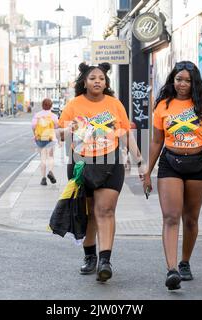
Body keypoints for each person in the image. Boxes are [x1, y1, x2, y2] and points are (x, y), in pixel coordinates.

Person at [58, 62, 145, 283]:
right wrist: (66, 130)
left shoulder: (114, 105)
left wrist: (140, 161)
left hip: (111, 162)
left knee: (105, 210)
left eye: (101, 78)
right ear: (84, 82)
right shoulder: (74, 105)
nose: (97, 81)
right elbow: (59, 133)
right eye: (92, 78)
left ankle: (105, 260)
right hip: (81, 164)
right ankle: (90, 257)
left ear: (106, 83)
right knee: (88, 213)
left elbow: (125, 134)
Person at [142, 61, 202, 290]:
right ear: (173, 80)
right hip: (170, 164)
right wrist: (147, 171)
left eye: (187, 80)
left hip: (197, 164)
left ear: (194, 81)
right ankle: (172, 269)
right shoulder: (163, 106)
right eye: (179, 79)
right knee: (170, 216)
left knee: (191, 218)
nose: (182, 84)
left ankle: (185, 261)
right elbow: (157, 141)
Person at [32, 98, 59, 186]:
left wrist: (35, 134)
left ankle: (43, 178)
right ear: (51, 106)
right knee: (50, 157)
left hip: (40, 139)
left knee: (43, 158)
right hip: (50, 139)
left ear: (42, 105)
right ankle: (50, 171)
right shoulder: (53, 116)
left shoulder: (37, 115)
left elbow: (33, 126)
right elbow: (56, 126)